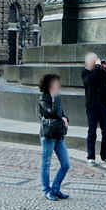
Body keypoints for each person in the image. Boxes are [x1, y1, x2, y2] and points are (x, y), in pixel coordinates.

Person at [81, 52, 106, 165]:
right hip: (92, 107)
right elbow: (91, 80)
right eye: (95, 61)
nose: (98, 63)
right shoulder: (85, 73)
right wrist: (97, 67)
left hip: (103, 105)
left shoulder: (100, 71)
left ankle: (105, 156)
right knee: (92, 132)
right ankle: (90, 157)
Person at [38, 73, 70, 201]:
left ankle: (56, 188)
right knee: (46, 163)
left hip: (58, 134)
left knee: (66, 164)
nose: (58, 86)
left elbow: (61, 114)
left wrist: (66, 119)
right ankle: (47, 190)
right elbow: (53, 113)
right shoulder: (43, 99)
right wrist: (54, 98)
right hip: (48, 135)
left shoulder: (57, 98)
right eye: (56, 84)